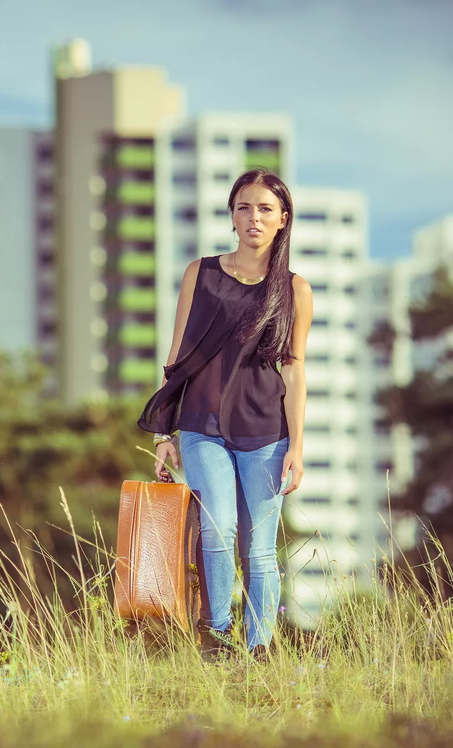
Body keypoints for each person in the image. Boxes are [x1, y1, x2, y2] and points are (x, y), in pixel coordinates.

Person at [137, 167, 313, 661]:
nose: (253, 217)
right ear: (232, 216)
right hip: (201, 424)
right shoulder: (201, 273)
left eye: (264, 208)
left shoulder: (295, 290)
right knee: (217, 527)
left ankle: (258, 648)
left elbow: (294, 371)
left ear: (283, 219)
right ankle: (217, 636)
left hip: (266, 431)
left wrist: (297, 447)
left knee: (259, 549)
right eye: (244, 207)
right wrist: (163, 431)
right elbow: (177, 355)